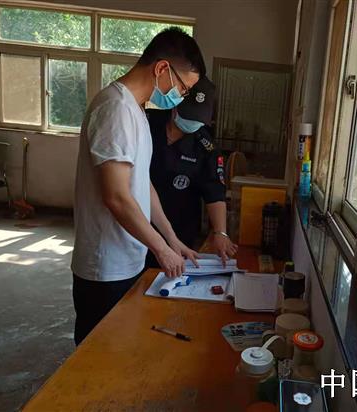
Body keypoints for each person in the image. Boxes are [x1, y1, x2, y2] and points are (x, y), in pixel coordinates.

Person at [71, 27, 204, 346]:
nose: (180, 97)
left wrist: (171, 239)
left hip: (127, 258)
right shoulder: (115, 109)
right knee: (99, 356)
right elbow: (116, 196)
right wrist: (161, 249)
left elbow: (142, 183)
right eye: (183, 88)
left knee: (122, 348)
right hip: (105, 267)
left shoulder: (136, 110)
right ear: (162, 69)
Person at [146, 76, 238, 268]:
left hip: (180, 231)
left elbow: (215, 191)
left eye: (198, 118)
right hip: (138, 225)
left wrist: (220, 232)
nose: (192, 122)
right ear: (175, 106)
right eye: (189, 114)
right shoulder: (147, 123)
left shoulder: (206, 147)